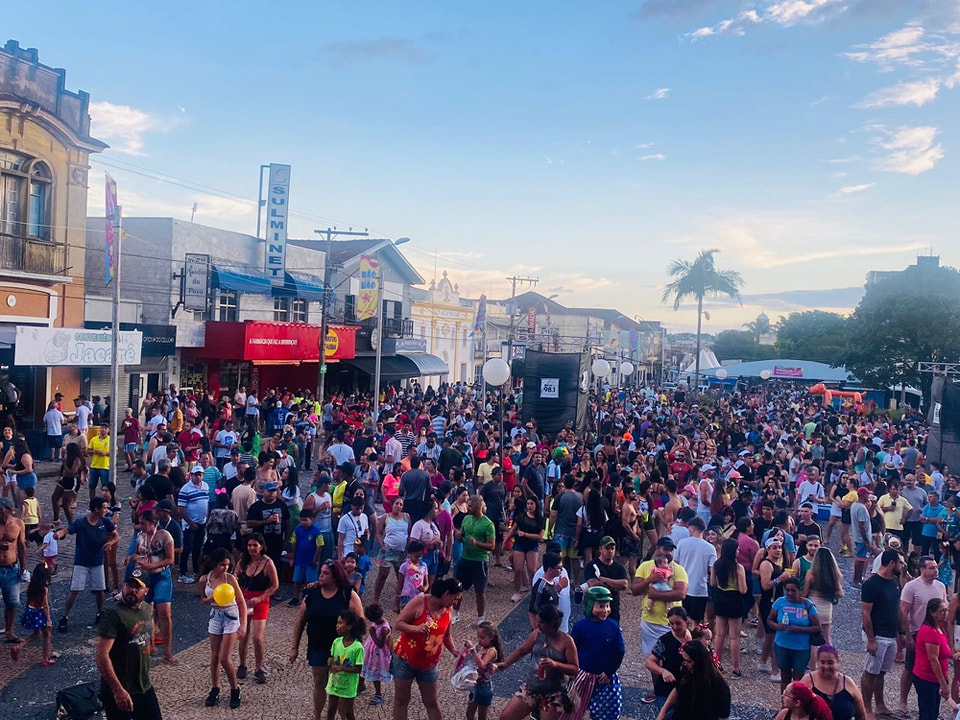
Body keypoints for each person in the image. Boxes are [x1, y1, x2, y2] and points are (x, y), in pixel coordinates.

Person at [290, 559, 365, 720]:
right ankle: (317, 716)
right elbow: (300, 621)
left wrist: (356, 647)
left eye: (326, 573)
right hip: (317, 646)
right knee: (319, 682)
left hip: (342, 650)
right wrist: (294, 647)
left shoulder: (348, 594)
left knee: (339, 689)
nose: (321, 576)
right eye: (321, 573)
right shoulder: (312, 594)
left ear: (335, 576)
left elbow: (360, 621)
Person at [391, 577, 463, 720]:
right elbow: (398, 624)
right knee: (401, 700)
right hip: (405, 660)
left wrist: (454, 650)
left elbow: (446, 635)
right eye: (455, 598)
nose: (456, 603)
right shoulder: (420, 601)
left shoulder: (448, 609)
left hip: (429, 664)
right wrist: (416, 628)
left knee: (432, 702)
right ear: (446, 594)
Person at [494, 604, 580, 720]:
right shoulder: (537, 634)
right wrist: (506, 664)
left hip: (554, 693)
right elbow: (522, 650)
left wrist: (555, 664)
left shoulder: (567, 642)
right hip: (532, 687)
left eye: (541, 622)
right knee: (506, 717)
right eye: (537, 621)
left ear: (552, 623)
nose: (538, 625)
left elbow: (574, 669)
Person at [95, 574, 162, 720]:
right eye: (128, 585)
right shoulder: (113, 614)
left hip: (143, 684)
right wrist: (118, 690)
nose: (132, 590)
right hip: (121, 687)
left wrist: (150, 647)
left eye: (137, 587)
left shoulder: (147, 609)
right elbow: (101, 656)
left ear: (146, 591)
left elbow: (149, 627)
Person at [632, 536, 688, 704]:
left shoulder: (678, 570)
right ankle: (658, 691)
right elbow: (634, 589)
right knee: (653, 659)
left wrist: (656, 594)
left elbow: (681, 593)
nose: (668, 553)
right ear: (657, 549)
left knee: (674, 659)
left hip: (670, 625)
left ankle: (677, 691)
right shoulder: (645, 566)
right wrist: (650, 580)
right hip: (650, 622)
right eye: (665, 549)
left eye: (671, 550)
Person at [54, 496, 120, 633]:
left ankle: (100, 613)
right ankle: (65, 617)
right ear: (96, 509)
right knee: (75, 590)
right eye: (104, 508)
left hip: (97, 561)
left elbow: (116, 536)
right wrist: (59, 534)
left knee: (100, 590)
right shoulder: (81, 523)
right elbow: (67, 530)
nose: (106, 510)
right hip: (82, 561)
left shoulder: (105, 522)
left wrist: (110, 543)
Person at [198, 547, 246, 709]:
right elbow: (203, 600)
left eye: (227, 565)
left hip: (230, 616)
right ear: (214, 564)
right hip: (215, 616)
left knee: (225, 658)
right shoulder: (204, 579)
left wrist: (243, 624)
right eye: (222, 565)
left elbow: (241, 602)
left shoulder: (230, 579)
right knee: (214, 656)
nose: (225, 568)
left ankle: (235, 689)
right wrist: (212, 598)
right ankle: (215, 688)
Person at [568, 586, 626, 720]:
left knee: (607, 711)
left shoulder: (613, 626)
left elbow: (620, 651)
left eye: (607, 606)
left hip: (604, 676)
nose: (605, 610)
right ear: (590, 605)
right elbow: (573, 649)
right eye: (601, 606)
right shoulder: (580, 626)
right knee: (573, 708)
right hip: (583, 673)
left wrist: (609, 671)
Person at [899, 554, 947, 715]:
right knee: (909, 667)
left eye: (936, 567)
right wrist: (906, 635)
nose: (936, 570)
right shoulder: (911, 587)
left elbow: (944, 612)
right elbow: (904, 611)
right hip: (917, 632)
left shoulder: (941, 586)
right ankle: (903, 701)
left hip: (936, 633)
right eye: (932, 568)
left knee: (935, 665)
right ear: (922, 569)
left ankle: (933, 704)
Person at [128, 511, 177, 664]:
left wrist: (152, 565)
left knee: (165, 612)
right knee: (144, 612)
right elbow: (137, 554)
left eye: (143, 523)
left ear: (152, 523)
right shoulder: (140, 536)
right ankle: (149, 646)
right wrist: (130, 559)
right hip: (145, 578)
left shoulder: (165, 535)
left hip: (161, 576)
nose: (140, 526)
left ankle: (167, 652)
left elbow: (171, 559)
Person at [861, 549, 903, 720]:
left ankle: (880, 705)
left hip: (891, 633)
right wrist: (871, 639)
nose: (902, 565)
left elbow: (897, 608)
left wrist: (902, 633)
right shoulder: (871, 584)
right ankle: (866, 708)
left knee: (882, 672)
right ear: (892, 563)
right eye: (900, 562)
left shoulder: (895, 581)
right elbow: (865, 613)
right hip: (877, 634)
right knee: (870, 672)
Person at [236, 532, 279, 685]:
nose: (252, 548)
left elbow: (275, 585)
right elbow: (235, 577)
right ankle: (242, 664)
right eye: (249, 545)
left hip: (260, 600)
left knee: (257, 637)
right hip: (245, 600)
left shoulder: (268, 563)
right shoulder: (243, 560)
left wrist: (260, 598)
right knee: (243, 634)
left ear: (261, 546)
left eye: (255, 545)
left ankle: (259, 668)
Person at [654, 640, 731, 720]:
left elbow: (723, 717)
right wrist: (663, 712)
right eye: (684, 660)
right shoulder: (687, 670)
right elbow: (677, 689)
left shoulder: (719, 685)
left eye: (689, 661)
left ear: (699, 662)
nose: (684, 663)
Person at [770, 576, 821, 693]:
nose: (790, 593)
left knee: (798, 679)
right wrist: (777, 626)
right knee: (785, 677)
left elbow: (817, 627)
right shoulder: (779, 602)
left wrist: (799, 629)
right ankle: (785, 700)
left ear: (799, 590)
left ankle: (796, 700)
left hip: (801, 648)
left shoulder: (808, 605)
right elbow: (769, 620)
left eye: (793, 590)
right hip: (782, 645)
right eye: (787, 590)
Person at [456, 494, 496, 625]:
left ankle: (481, 617)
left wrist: (477, 543)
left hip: (480, 560)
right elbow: (462, 535)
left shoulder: (488, 524)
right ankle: (455, 612)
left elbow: (492, 546)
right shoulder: (466, 519)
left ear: (477, 507)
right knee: (458, 587)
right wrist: (459, 536)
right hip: (465, 557)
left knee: (480, 590)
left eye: (470, 506)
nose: (468, 508)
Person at [711, 538, 748, 676]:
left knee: (719, 634)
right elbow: (743, 589)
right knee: (734, 636)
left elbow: (713, 583)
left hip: (720, 598)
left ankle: (716, 664)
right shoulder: (738, 568)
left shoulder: (716, 565)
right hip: (734, 600)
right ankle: (735, 668)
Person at [800, 645, 868, 720]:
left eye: (830, 663)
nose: (826, 666)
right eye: (822, 662)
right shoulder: (807, 682)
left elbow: (861, 715)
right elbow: (795, 712)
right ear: (817, 662)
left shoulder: (848, 683)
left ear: (838, 663)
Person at [912, 598, 951, 720]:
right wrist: (943, 684)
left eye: (946, 610)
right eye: (941, 611)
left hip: (934, 679)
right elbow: (933, 659)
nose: (945, 613)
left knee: (933, 712)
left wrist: (945, 676)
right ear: (932, 613)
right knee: (928, 714)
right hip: (926, 678)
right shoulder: (929, 631)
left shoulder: (940, 628)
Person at [9, 562, 53, 666]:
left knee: (36, 634)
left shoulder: (32, 586)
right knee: (47, 636)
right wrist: (48, 620)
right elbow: (45, 605)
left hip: (31, 611)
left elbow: (28, 600)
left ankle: (18, 647)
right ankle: (45, 658)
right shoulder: (44, 589)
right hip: (40, 613)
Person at [674, 516, 716, 624]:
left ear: (692, 529)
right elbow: (712, 569)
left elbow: (675, 563)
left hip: (682, 586)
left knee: (681, 619)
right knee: (696, 621)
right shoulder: (710, 548)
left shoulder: (682, 543)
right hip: (700, 589)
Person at [326, 610, 366, 720]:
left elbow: (358, 669)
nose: (337, 626)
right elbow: (332, 656)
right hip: (334, 684)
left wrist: (342, 668)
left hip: (348, 687)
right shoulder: (336, 642)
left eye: (340, 623)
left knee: (348, 712)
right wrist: (330, 661)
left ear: (349, 626)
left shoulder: (357, 647)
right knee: (331, 710)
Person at [372, 497, 411, 610]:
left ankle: (397, 602)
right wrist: (382, 545)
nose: (398, 506)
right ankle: (376, 600)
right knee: (382, 576)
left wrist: (407, 548)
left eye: (401, 504)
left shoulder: (406, 517)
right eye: (397, 503)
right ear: (392, 505)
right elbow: (378, 532)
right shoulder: (386, 517)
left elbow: (409, 533)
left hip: (401, 553)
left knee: (401, 578)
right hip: (388, 551)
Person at [583, 535, 629, 623]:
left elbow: (624, 584)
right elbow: (592, 584)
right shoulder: (591, 565)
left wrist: (604, 580)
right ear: (600, 549)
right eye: (607, 548)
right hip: (594, 609)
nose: (610, 551)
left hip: (613, 609)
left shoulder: (619, 568)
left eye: (612, 548)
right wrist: (614, 585)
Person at [463, 621, 503, 720]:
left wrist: (473, 651)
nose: (479, 640)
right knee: (469, 714)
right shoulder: (482, 647)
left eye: (482, 638)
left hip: (484, 687)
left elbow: (481, 664)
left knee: (482, 716)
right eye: (478, 637)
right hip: (475, 684)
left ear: (491, 637)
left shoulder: (491, 651)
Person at [177, 464, 209, 584]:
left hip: (202, 522)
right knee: (187, 548)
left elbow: (205, 502)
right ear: (192, 475)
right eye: (196, 475)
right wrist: (190, 523)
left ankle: (196, 570)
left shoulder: (205, 486)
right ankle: (183, 572)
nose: (198, 477)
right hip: (190, 524)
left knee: (198, 547)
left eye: (200, 475)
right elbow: (181, 509)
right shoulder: (185, 489)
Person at [1, 496, 26, 642]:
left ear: (8, 510)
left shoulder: (18, 524)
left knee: (12, 602)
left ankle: (9, 631)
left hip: (11, 568)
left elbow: (22, 546)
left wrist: (23, 567)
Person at [360, 603, 392, 707]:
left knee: (375, 673)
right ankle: (360, 686)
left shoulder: (383, 629)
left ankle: (378, 694)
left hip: (378, 655)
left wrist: (373, 634)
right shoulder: (378, 622)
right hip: (371, 652)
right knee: (363, 667)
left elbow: (381, 645)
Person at [51, 441, 85, 524]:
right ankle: (56, 519)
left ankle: (71, 523)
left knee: (66, 504)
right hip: (64, 479)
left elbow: (72, 473)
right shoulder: (68, 458)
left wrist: (65, 464)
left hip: (72, 482)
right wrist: (60, 476)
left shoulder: (77, 460)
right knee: (55, 498)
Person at [88, 424, 112, 500]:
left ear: (108, 430)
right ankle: (92, 501)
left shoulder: (111, 439)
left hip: (105, 466)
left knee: (105, 486)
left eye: (105, 428)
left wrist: (105, 453)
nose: (103, 430)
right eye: (102, 428)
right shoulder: (94, 439)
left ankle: (106, 500)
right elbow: (88, 450)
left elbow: (115, 452)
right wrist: (94, 451)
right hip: (94, 466)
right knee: (92, 485)